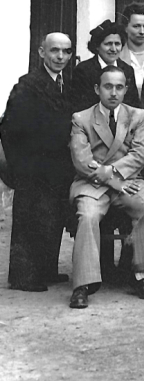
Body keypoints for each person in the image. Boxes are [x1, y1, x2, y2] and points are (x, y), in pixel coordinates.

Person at [68, 66, 144, 309]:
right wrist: (114, 181)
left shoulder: (137, 116)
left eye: (119, 87)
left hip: (128, 179)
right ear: (97, 89)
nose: (113, 93)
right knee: (88, 215)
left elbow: (138, 155)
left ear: (126, 90)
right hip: (92, 183)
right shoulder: (81, 118)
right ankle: (83, 285)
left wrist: (111, 171)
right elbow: (82, 161)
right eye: (108, 86)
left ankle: (140, 275)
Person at [2, 33, 74, 291]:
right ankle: (24, 277)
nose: (60, 57)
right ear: (42, 52)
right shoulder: (28, 85)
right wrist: (21, 164)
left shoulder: (64, 83)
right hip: (32, 164)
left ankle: (46, 270)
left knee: (51, 216)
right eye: (54, 50)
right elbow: (11, 127)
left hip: (56, 164)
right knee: (30, 218)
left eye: (66, 51)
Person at [70, 20, 140, 111]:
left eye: (117, 44)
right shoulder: (83, 70)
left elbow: (133, 105)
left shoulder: (127, 70)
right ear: (97, 46)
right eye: (108, 44)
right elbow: (81, 106)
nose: (113, 49)